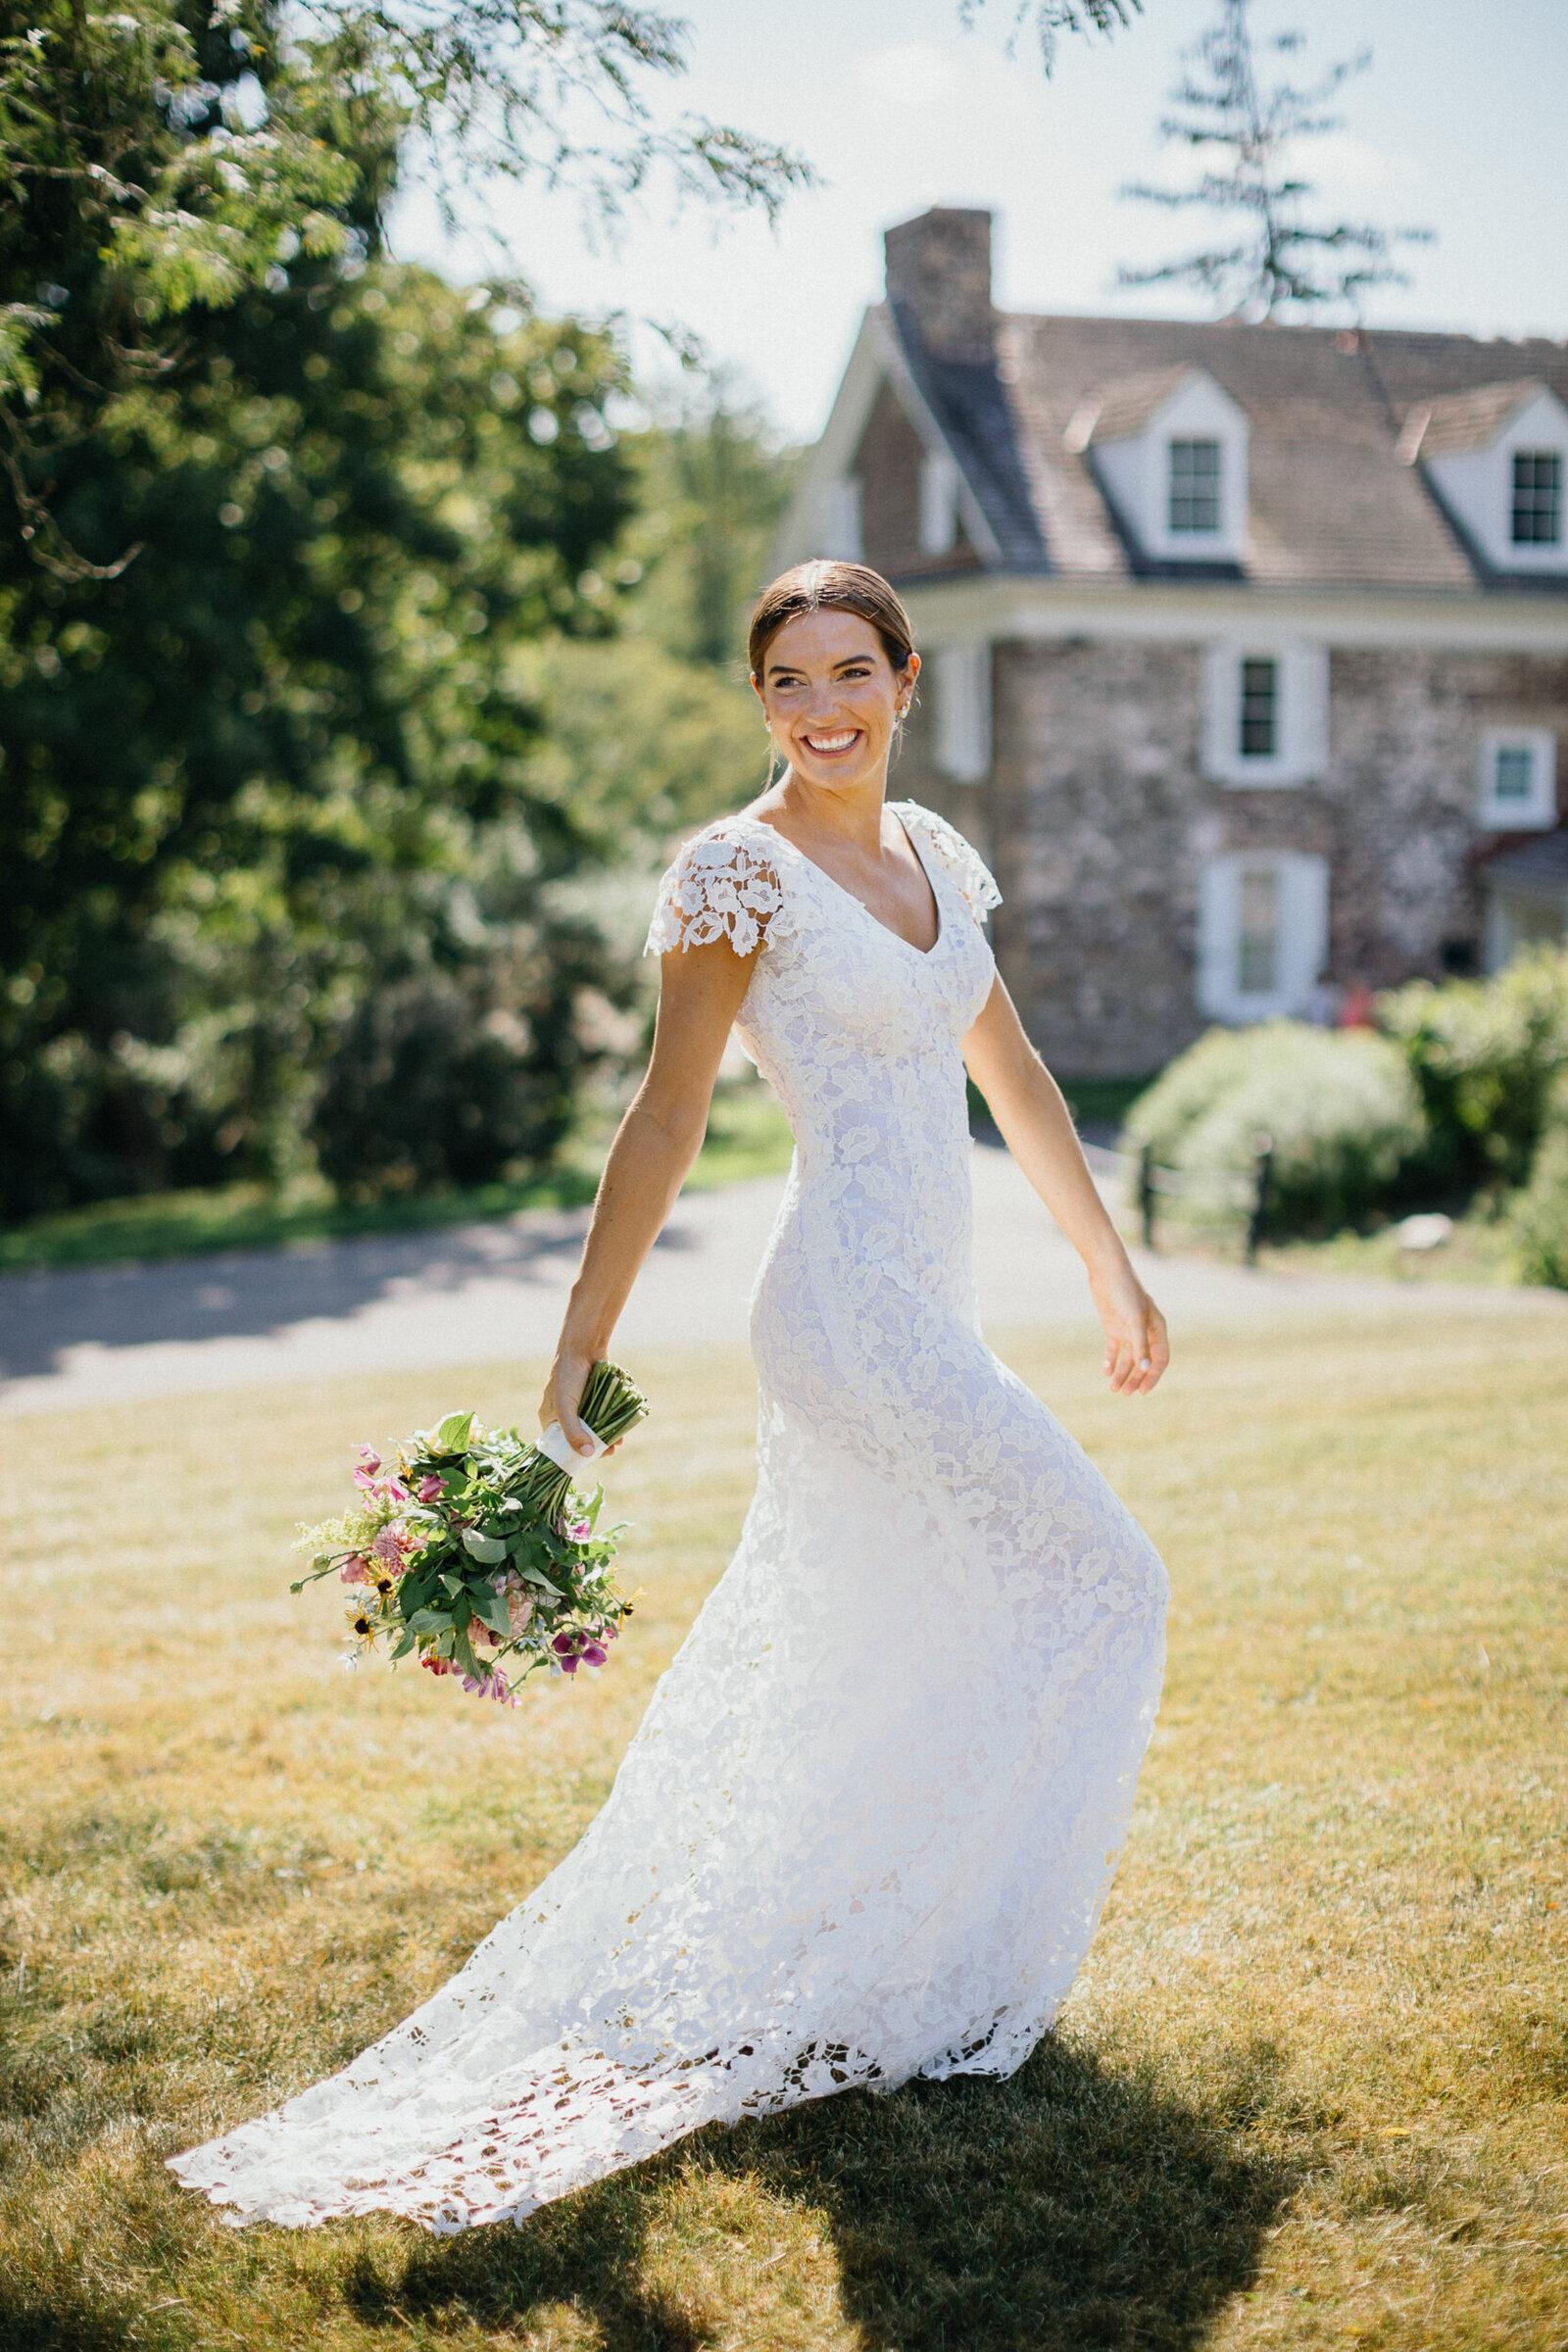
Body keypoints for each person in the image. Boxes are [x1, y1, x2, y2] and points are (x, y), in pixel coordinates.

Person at [170, 560, 1170, 2234]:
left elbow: (1012, 1074)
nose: (823, 707)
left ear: (906, 681)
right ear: (760, 698)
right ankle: (940, 1958)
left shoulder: (936, 857)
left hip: (937, 1299)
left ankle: (878, 1950)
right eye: (789, 680)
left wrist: (1108, 1268)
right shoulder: (733, 873)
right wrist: (579, 1345)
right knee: (1108, 1576)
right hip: (846, 1310)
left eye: (851, 672)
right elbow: (666, 1113)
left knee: (905, 1630)